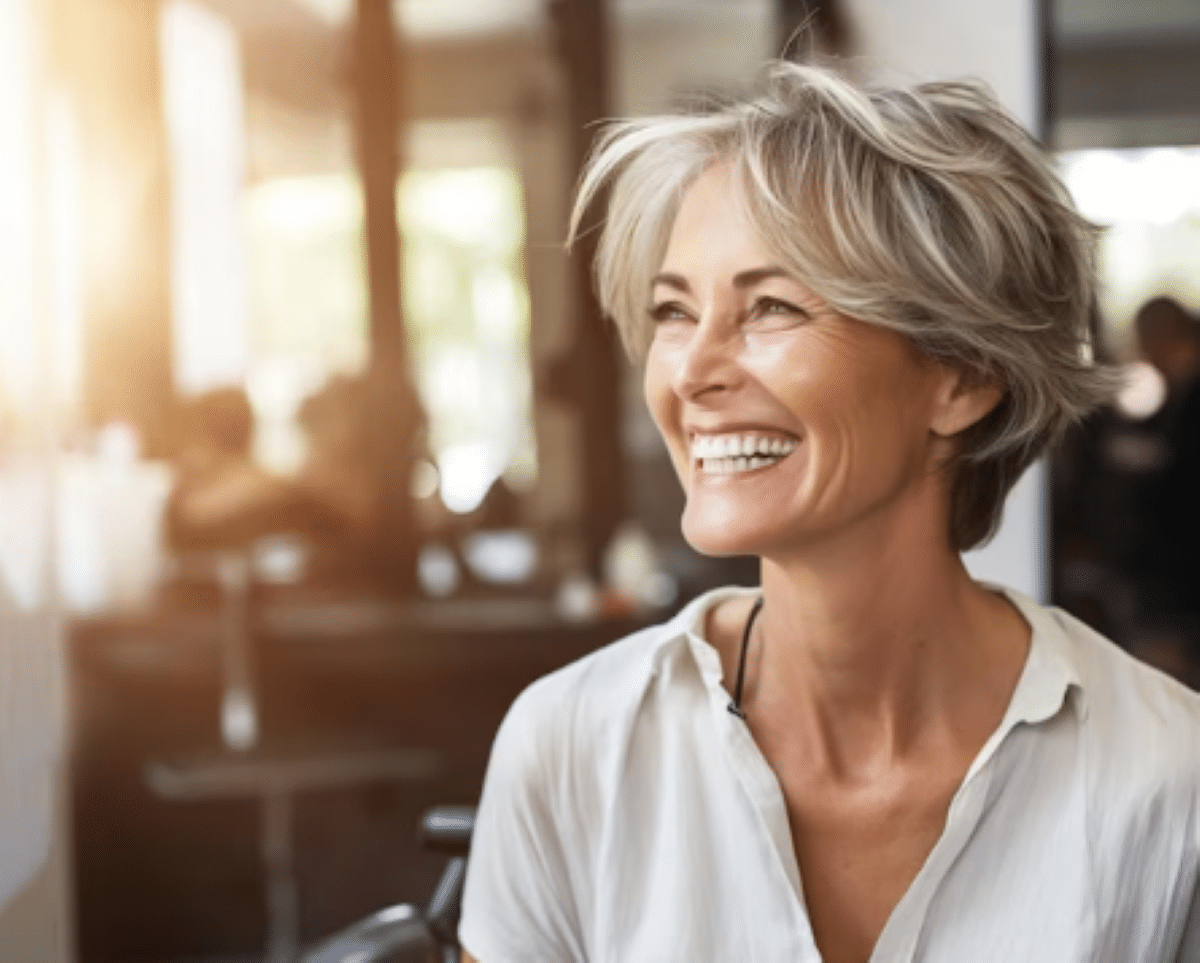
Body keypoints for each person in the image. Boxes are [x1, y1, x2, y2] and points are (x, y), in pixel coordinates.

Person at [458, 61, 1200, 962]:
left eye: (770, 305)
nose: (692, 371)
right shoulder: (571, 748)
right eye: (674, 311)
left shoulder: (1170, 783)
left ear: (962, 374)